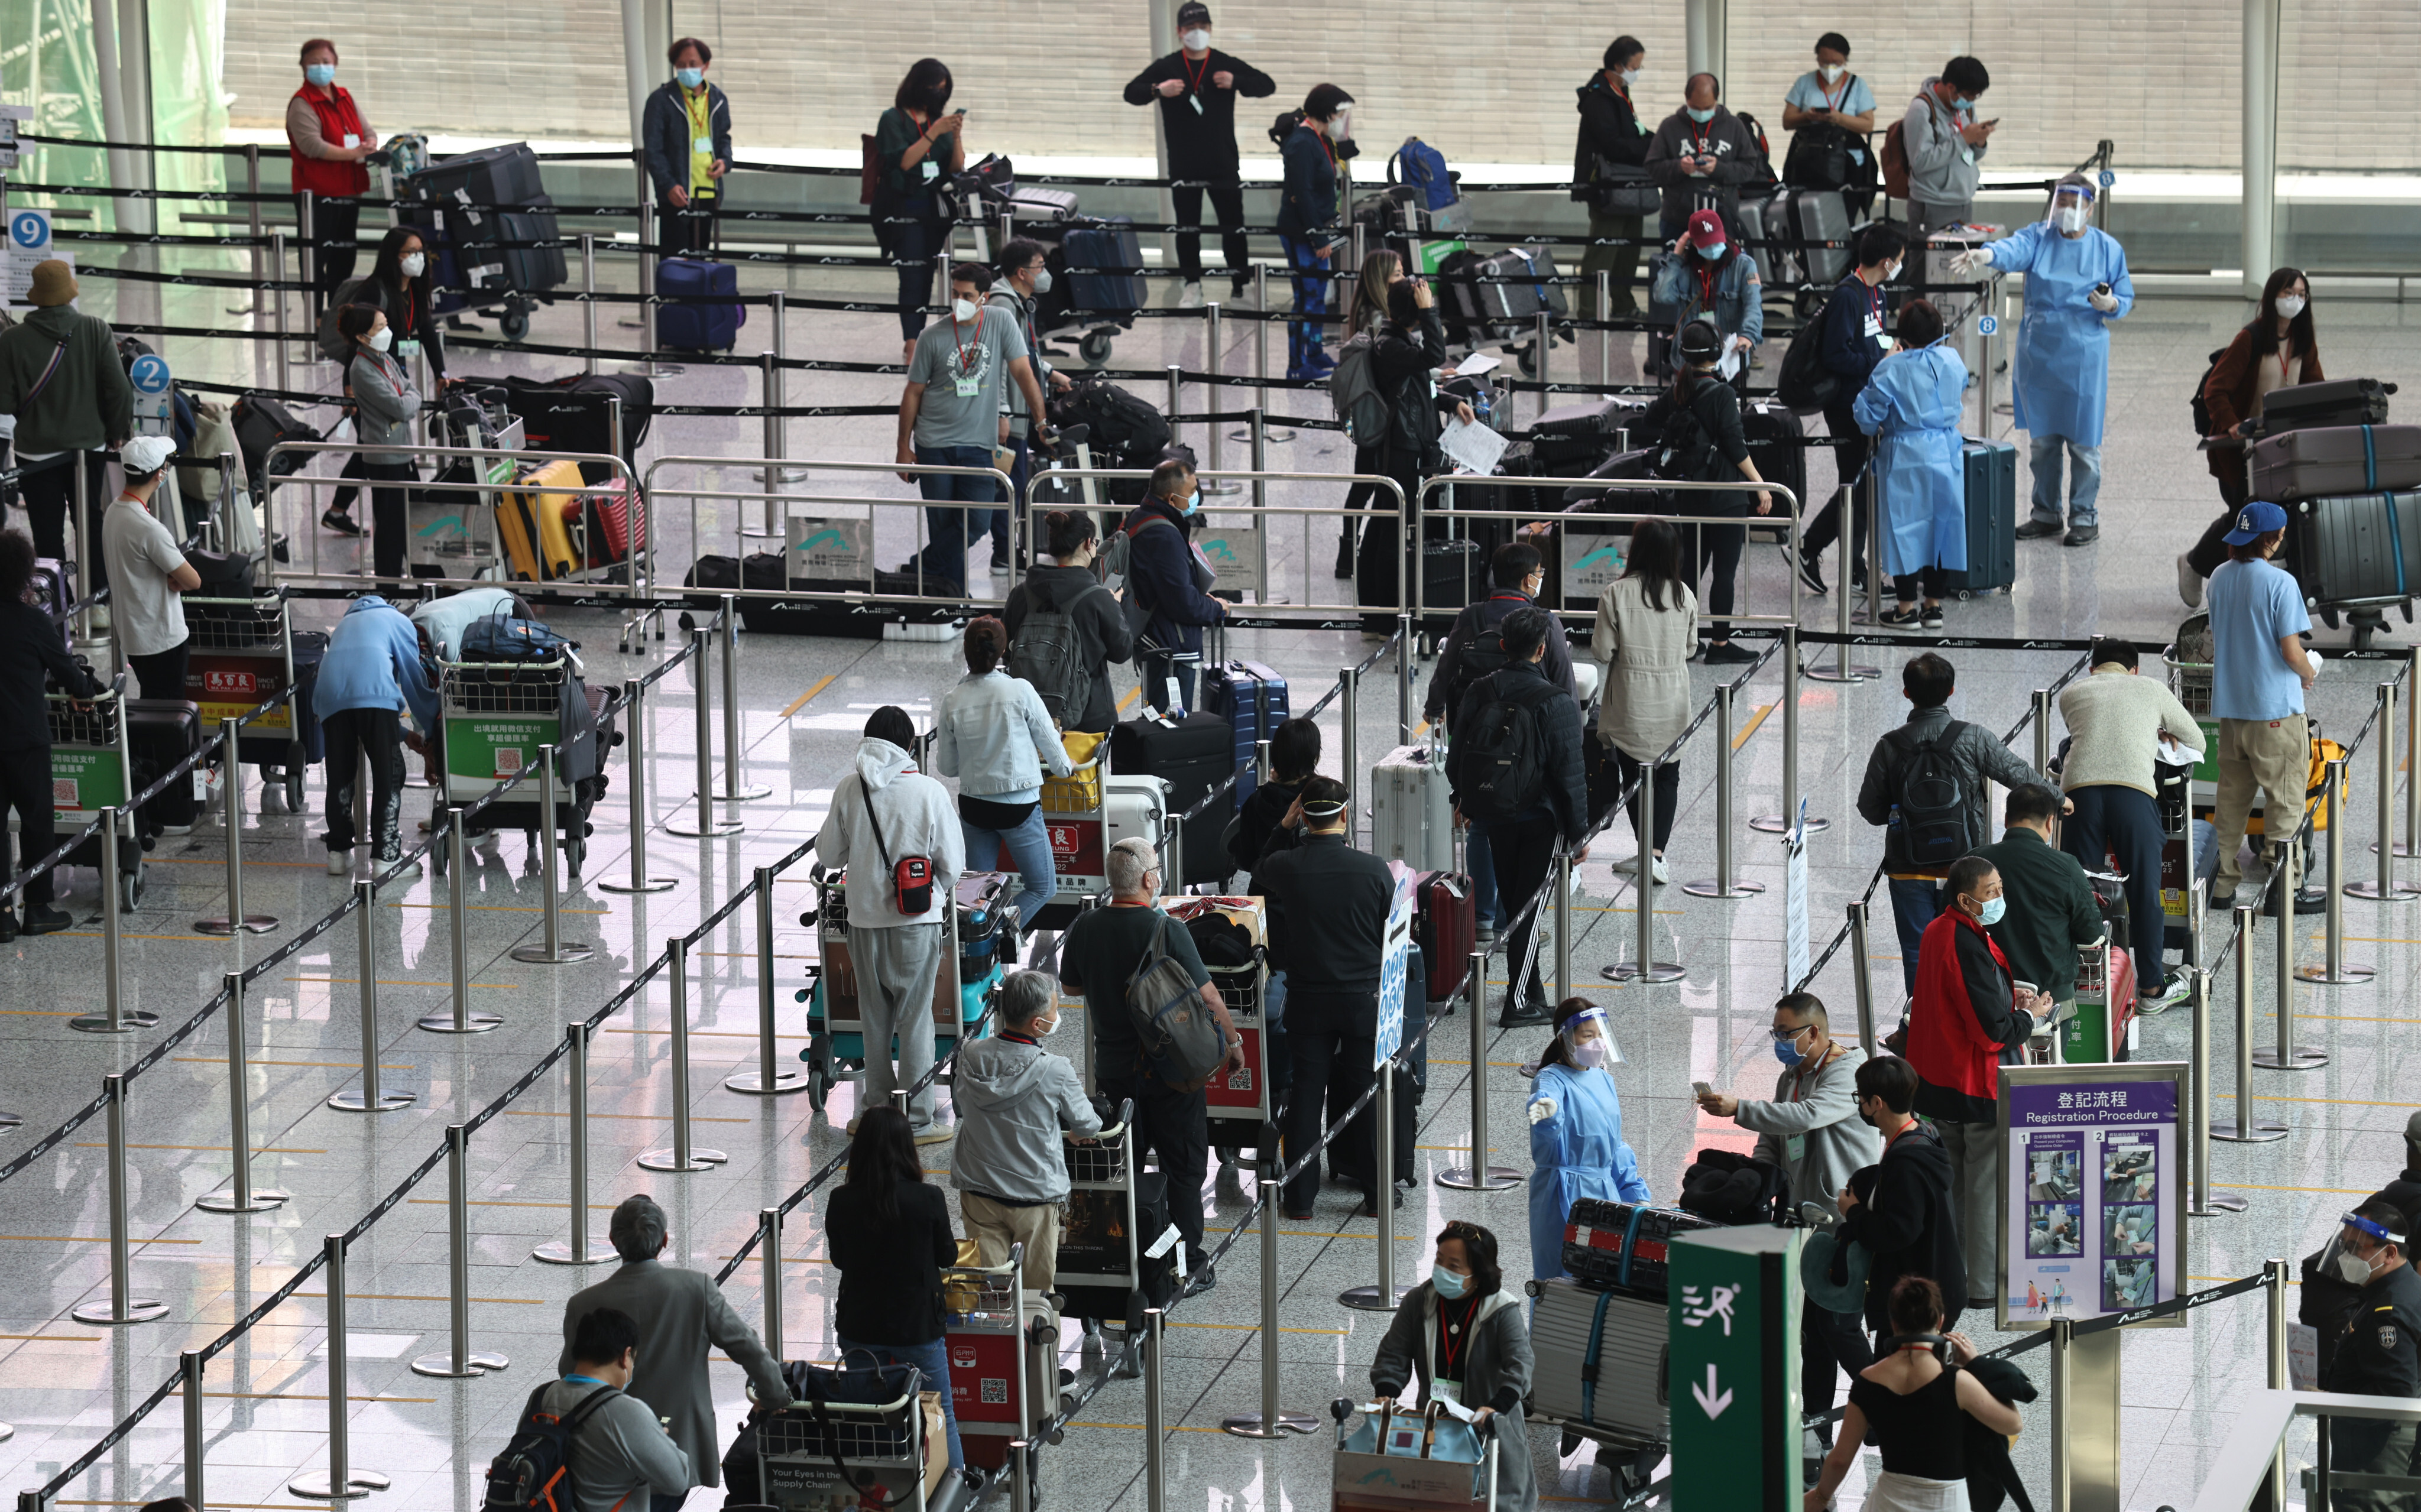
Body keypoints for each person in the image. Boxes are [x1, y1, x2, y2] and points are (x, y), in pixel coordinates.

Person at [1058, 836, 1243, 1284]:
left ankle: (1131, 1258)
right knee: (1183, 1168)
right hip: (1171, 1073)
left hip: (1115, 1074)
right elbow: (1209, 997)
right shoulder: (1167, 930)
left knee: (1126, 1165)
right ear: (1148, 879)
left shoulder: (1085, 926)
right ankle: (1184, 1264)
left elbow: (1071, 988)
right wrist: (1233, 1043)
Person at [1698, 993, 1878, 1453]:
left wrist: (1738, 1107)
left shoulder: (1847, 1073)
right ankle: (1815, 1429)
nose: (1778, 1041)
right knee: (1812, 1334)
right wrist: (1758, 1174)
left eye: (1785, 1034)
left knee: (1838, 1325)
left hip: (1843, 1222)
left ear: (1814, 1032)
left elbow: (1808, 1116)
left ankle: (1886, 1405)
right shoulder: (1790, 1077)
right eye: (1775, 1033)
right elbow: (1775, 1137)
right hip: (1804, 1222)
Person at [554, 1195, 790, 1507]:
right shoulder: (697, 1288)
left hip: (603, 1448)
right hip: (678, 1443)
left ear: (613, 1241)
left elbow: (571, 1373)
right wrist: (776, 1397)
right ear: (664, 1240)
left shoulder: (583, 1304)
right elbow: (748, 1348)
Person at [1950, 173, 2132, 547]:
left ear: (2090, 208)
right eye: (2061, 202)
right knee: (2043, 441)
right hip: (2041, 352)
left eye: (2075, 203)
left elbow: (2125, 296)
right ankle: (2046, 513)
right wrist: (1987, 254)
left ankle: (2085, 516)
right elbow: (2013, 250)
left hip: (2084, 353)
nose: (2067, 210)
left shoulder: (2107, 249)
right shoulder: (2039, 236)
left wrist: (2111, 304)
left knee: (2084, 443)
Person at [814, 706, 965, 1141]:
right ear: (908, 745)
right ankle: (917, 1115)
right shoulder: (929, 792)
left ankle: (876, 1107)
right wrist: (931, 890)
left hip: (862, 923)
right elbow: (952, 864)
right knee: (916, 1018)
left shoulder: (849, 788)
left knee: (873, 1018)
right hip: (916, 923)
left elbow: (829, 856)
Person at [1910, 855, 2051, 1305]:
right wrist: (2028, 1017)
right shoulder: (1966, 945)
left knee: (1952, 1186)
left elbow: (1958, 1000)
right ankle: (1984, 1288)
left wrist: (2009, 996)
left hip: (1937, 1081)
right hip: (1975, 1088)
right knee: (1985, 1188)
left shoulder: (1938, 930)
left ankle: (1952, 1276)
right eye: (1991, 893)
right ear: (1965, 900)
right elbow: (1992, 1032)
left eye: (1999, 888)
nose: (1999, 898)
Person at [1857, 653, 2041, 994]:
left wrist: (1905, 816)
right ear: (1952, 691)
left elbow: (1869, 809)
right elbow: (2021, 776)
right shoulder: (1972, 738)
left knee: (1917, 952)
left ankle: (1920, 1026)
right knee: (1971, 949)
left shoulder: (1890, 745)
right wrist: (2060, 798)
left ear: (1907, 693)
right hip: (1966, 869)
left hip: (1908, 868)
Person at [1259, 776, 1397, 1219]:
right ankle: (1377, 1195)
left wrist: (1283, 825)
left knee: (1305, 1095)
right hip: (1361, 1001)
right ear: (1344, 815)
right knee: (1366, 1094)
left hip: (1307, 1002)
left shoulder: (1289, 865)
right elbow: (1389, 934)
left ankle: (1299, 1200)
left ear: (1304, 816)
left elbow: (1258, 868)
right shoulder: (1374, 870)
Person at [1428, 540, 1584, 932]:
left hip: (1478, 740)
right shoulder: (1543, 623)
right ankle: (1510, 921)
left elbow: (1446, 669)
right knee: (1528, 823)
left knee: (1482, 825)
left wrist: (1433, 708)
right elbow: (1564, 682)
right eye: (1539, 573)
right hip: (1529, 742)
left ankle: (1481, 916)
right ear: (1528, 578)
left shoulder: (1473, 614)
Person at [1446, 608, 1589, 1027]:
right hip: (1540, 819)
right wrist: (1578, 834)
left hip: (1496, 813)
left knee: (1516, 901)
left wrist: (1465, 800)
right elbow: (1569, 775)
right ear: (1542, 650)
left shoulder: (1479, 690)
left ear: (1504, 645)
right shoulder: (1556, 701)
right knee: (1528, 909)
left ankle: (1531, 989)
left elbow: (1459, 757)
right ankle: (1519, 999)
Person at [2058, 638, 2205, 1007]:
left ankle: (2085, 982)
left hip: (2079, 796)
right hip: (2133, 794)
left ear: (2093, 669)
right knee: (2144, 890)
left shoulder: (2072, 693)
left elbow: (2092, 728)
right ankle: (2151, 988)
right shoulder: (2151, 688)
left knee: (2083, 890)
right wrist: (2157, 730)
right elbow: (2197, 739)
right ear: (2134, 670)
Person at [1804, 1276, 2024, 1512]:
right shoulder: (1957, 1381)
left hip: (1889, 1500)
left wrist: (1821, 1497)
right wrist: (1977, 1365)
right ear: (1940, 1322)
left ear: (1894, 1323)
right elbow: (2012, 1424)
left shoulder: (1868, 1381)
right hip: (1947, 1503)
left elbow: (1839, 1460)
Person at [825, 1107, 966, 1475]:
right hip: (917, 1325)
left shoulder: (841, 1200)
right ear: (908, 1147)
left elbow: (840, 1260)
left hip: (859, 1326)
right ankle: (954, 1486)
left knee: (865, 1415)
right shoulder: (928, 1198)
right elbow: (948, 1256)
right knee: (940, 1411)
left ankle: (871, 1487)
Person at [894, 262, 1049, 594]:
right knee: (943, 525)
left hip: (979, 444)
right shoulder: (932, 336)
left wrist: (1042, 420)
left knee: (976, 522)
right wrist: (903, 446)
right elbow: (913, 392)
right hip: (934, 442)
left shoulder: (1000, 321)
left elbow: (1024, 372)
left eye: (967, 295)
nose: (959, 301)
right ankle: (954, 597)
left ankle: (918, 569)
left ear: (984, 297)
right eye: (955, 294)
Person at [1342, 254, 1478, 627]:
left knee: (1385, 526)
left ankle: (1376, 611)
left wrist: (1451, 401)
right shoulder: (1391, 345)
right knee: (1388, 533)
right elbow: (1434, 355)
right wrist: (1430, 313)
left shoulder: (1397, 342)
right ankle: (1380, 615)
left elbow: (1420, 386)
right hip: (1398, 449)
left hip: (1406, 445)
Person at [952, 969, 1103, 1294]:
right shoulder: (1055, 1068)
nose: (1057, 1015)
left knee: (990, 1294)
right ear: (1037, 1024)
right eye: (1054, 1010)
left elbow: (962, 1105)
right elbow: (1089, 1124)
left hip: (979, 1191)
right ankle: (1036, 1346)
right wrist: (1077, 1133)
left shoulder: (970, 1055)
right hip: (1034, 1198)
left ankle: (997, 1343)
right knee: (1037, 1295)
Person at [1370, 1221, 1537, 1512]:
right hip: (1437, 1424)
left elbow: (1520, 1365)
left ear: (1478, 1273)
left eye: (1454, 1266)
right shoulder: (1419, 1302)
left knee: (1497, 1501)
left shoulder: (1501, 1311)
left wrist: (1498, 1406)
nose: (1442, 1271)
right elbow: (1393, 1353)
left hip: (1492, 1428)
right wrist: (1387, 1392)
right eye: (1439, 1260)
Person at [1634, 318, 1774, 663]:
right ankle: (1720, 646)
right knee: (1724, 572)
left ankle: (1684, 641)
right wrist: (1761, 486)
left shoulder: (1678, 391)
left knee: (1691, 570)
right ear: (1715, 352)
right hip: (1726, 497)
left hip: (1691, 494)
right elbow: (1736, 446)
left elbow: (1649, 419)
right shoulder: (1723, 393)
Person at [1122, 4, 1274, 309]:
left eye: (1204, 27)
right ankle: (1192, 285)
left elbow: (1267, 84)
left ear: (1211, 29)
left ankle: (1240, 286)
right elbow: (1131, 92)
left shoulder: (1223, 63)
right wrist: (1157, 90)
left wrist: (1237, 83)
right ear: (1179, 32)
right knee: (1187, 227)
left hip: (1223, 162)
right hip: (1183, 163)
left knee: (1234, 226)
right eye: (1191, 28)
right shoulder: (1167, 66)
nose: (1198, 33)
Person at [0, 259, 134, 603]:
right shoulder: (95, 329)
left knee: (47, 533)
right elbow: (118, 389)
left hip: (35, 453)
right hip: (87, 450)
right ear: (70, 292)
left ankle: (60, 604)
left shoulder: (12, 339)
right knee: (90, 523)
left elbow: (3, 400)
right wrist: (117, 431)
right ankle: (102, 601)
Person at [2183, 268, 2321, 600]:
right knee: (2242, 518)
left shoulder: (2304, 341)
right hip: (2242, 449)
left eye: (2302, 294)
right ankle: (2194, 564)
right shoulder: (2252, 338)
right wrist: (2232, 423)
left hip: (2283, 447)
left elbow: (2316, 388)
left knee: (2284, 518)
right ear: (2273, 296)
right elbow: (2216, 389)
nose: (2295, 301)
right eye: (2289, 293)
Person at [2205, 502, 2316, 910]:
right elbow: (2290, 650)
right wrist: (2307, 672)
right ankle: (2283, 889)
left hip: (2231, 711)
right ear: (2272, 539)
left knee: (2230, 804)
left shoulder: (2217, 578)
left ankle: (2218, 885)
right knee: (2285, 802)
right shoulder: (2280, 583)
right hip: (2274, 713)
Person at [935, 616, 1072, 927]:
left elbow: (947, 767)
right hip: (1018, 808)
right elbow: (1052, 747)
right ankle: (1000, 936)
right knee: (1042, 887)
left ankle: (982, 942)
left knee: (975, 895)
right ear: (1003, 651)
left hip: (974, 808)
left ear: (966, 651)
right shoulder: (1020, 690)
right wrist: (1065, 768)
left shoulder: (952, 700)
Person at [317, 226, 451, 537]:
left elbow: (427, 330)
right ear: (394, 256)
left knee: (371, 447)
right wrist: (350, 391)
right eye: (410, 252)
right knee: (372, 447)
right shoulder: (374, 290)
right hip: (372, 379)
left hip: (393, 373)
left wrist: (441, 374)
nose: (418, 258)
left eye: (421, 252)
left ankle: (337, 511)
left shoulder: (414, 289)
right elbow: (355, 338)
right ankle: (340, 511)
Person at [0, 528, 100, 940]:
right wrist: (84, 692)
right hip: (26, 736)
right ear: (26, 575)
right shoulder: (33, 622)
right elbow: (68, 672)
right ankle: (38, 907)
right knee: (38, 821)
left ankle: (3, 913)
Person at [1796, 223, 1905, 595]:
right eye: (1900, 262)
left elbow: (1877, 339)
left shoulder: (1878, 293)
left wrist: (1892, 352)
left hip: (1871, 400)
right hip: (1847, 405)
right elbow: (1835, 354)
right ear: (1887, 262)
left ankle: (1853, 566)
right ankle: (1811, 549)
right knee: (1853, 486)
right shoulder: (1848, 296)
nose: (1900, 267)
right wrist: (1879, 359)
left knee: (1862, 488)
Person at [1855, 297, 1970, 630]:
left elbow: (1867, 415)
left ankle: (1905, 608)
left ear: (1902, 335)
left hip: (1904, 452)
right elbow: (1961, 387)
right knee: (1942, 525)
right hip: (1946, 447)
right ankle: (1933, 605)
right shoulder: (1952, 359)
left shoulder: (1892, 367)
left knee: (1902, 527)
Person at [1590, 518, 1694, 885]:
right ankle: (1656, 855)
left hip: (1632, 701)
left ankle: (1646, 851)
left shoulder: (1615, 594)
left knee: (1634, 775)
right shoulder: (1685, 595)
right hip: (1673, 700)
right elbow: (1691, 648)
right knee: (1668, 775)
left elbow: (1602, 651)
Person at [1836, 1055, 1966, 1336]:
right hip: (1935, 1285)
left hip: (1919, 1303)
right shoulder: (1923, 1131)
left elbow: (1897, 1232)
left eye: (1861, 1097)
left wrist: (1853, 1212)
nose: (1859, 1104)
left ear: (1876, 1104)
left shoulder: (1906, 1162)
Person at [315, 595, 436, 882]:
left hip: (329, 699)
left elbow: (357, 693)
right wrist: (431, 727)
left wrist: (404, 735)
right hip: (373, 697)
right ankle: (387, 855)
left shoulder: (345, 623)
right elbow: (412, 680)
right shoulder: (398, 621)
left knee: (340, 776)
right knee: (390, 773)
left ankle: (338, 853)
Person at [1527, 999, 1649, 1279]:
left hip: (1604, 1190)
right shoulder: (1550, 1080)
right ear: (1566, 1038)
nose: (1597, 1043)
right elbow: (1542, 1113)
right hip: (1563, 1192)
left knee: (1603, 1275)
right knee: (1562, 1276)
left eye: (1600, 1035)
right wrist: (1546, 1111)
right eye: (1587, 1035)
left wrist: (1634, 1193)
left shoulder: (1604, 1078)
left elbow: (1615, 1144)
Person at [2317, 1202, 2421, 1512]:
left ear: (2389, 1253)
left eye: (2356, 1248)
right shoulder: (2404, 1287)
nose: (2347, 1256)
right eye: (2345, 1246)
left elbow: (2394, 1394)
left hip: (2374, 1450)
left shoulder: (2388, 1313)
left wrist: (2330, 1399)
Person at [540, 1307, 696, 1512]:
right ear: (625, 1356)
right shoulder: (625, 1411)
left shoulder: (542, 1395)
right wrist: (658, 1438)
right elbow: (677, 1480)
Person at [1971, 783, 2103, 1017]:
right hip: (2050, 1001)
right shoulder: (2066, 866)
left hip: (1987, 995)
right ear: (2051, 822)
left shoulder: (1973, 864)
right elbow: (2091, 933)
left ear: (2006, 819)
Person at [1003, 510, 1133, 734]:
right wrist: (1115, 606)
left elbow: (1007, 650)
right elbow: (1122, 651)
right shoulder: (1098, 597)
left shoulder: (1021, 593)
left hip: (1029, 715)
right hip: (1089, 717)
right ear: (1088, 544)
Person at [872, 60, 967, 361]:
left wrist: (954, 135)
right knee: (911, 274)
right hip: (904, 207)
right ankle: (911, 341)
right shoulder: (893, 119)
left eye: (944, 90)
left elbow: (956, 167)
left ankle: (920, 336)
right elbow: (904, 162)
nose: (939, 95)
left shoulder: (939, 122)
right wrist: (934, 132)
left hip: (934, 209)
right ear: (917, 85)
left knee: (926, 274)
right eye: (933, 88)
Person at [99, 435, 201, 702]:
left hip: (134, 638)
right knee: (168, 715)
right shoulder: (150, 529)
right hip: (163, 639)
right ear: (160, 474)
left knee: (153, 707)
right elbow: (193, 581)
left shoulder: (113, 512)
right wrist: (175, 577)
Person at [991, 238, 1077, 554]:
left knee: (1017, 480)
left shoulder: (1019, 302)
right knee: (1008, 485)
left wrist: (1051, 373)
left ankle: (1012, 547)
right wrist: (1002, 411)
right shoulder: (1003, 305)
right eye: (1040, 267)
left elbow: (1024, 353)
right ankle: (1004, 552)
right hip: (1011, 413)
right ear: (1022, 273)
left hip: (1021, 406)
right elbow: (1001, 363)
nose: (1045, 273)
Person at [1120, 457, 1227, 709]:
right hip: (1172, 650)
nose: (1196, 496)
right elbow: (1184, 604)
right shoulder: (1164, 535)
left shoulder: (1140, 516)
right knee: (1170, 730)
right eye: (1192, 492)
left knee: (1159, 726)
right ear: (1171, 499)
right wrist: (1218, 608)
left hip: (1156, 641)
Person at [286, 40, 377, 312]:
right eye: (314, 62)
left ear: (335, 63)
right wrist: (354, 153)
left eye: (326, 62)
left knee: (344, 259)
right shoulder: (302, 104)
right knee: (315, 261)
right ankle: (314, 321)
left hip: (349, 191)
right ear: (303, 65)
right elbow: (312, 146)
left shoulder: (345, 97)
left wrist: (370, 144)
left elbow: (367, 131)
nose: (321, 67)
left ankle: (339, 318)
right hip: (317, 195)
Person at [1275, 83, 1354, 380]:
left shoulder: (1318, 139)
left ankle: (1315, 350)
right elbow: (1302, 193)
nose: (1342, 120)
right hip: (1302, 233)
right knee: (1306, 298)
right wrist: (1317, 236)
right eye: (1341, 113)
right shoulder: (1302, 143)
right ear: (1329, 113)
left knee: (1319, 295)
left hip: (1317, 227)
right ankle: (1297, 365)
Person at [337, 304, 419, 582]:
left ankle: (413, 575)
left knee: (410, 519)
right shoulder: (361, 369)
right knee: (389, 527)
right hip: (385, 457)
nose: (387, 331)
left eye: (385, 324)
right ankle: (389, 586)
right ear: (362, 337)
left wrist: (409, 399)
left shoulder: (384, 358)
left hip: (402, 451)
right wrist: (410, 402)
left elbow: (411, 390)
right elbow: (401, 407)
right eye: (380, 327)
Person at [1572, 37, 1652, 322]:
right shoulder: (1598, 98)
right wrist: (1650, 149)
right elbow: (1614, 144)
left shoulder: (1622, 92)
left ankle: (1623, 303)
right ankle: (1590, 311)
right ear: (1618, 65)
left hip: (1630, 185)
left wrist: (1658, 141)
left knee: (1628, 250)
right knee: (1603, 251)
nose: (1637, 72)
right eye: (1635, 66)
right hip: (1607, 187)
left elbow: (1635, 132)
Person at [1643, 73, 1759, 243]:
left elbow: (1749, 168)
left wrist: (1719, 169)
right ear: (1686, 98)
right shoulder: (1670, 126)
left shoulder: (1734, 126)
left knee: (1722, 268)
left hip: (1722, 218)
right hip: (1678, 218)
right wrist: (1679, 167)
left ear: (1717, 99)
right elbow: (1652, 167)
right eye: (1696, 108)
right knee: (1676, 266)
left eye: (1707, 108)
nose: (1701, 113)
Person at [641, 38, 731, 259]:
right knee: (675, 264)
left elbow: (723, 138)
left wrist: (725, 161)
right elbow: (653, 150)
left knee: (701, 259)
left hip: (708, 191)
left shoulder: (717, 99)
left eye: (693, 64)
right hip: (677, 193)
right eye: (681, 65)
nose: (687, 70)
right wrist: (669, 185)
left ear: (706, 65)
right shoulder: (661, 100)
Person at [1650, 208, 1762, 381]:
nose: (1713, 248)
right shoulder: (1684, 266)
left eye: (1716, 241)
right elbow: (1662, 295)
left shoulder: (1745, 265)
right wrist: (1676, 255)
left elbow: (1753, 304)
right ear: (1694, 243)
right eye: (1706, 243)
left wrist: (1748, 335)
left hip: (1728, 357)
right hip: (1689, 359)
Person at [1780, 33, 1878, 217]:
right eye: (1825, 62)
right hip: (1809, 160)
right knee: (1806, 215)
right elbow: (1788, 121)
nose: (1831, 68)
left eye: (1837, 62)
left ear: (1846, 60)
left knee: (1842, 216)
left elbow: (1868, 124)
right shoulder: (1805, 83)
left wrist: (1839, 118)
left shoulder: (1857, 85)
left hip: (1846, 163)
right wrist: (1808, 117)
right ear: (1817, 59)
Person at [1900, 59, 1992, 236]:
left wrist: (1980, 141)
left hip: (1963, 199)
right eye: (1969, 96)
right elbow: (1920, 161)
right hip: (1932, 202)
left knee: (1961, 261)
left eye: (1976, 96)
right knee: (1927, 262)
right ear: (1951, 88)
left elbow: (1971, 155)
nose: (1971, 101)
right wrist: (1963, 139)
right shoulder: (1922, 109)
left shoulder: (1966, 108)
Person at [1231, 713, 1320, 881]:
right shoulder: (1322, 797)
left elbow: (1246, 860)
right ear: (1314, 756)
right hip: (1308, 897)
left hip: (1265, 895)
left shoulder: (1255, 801)